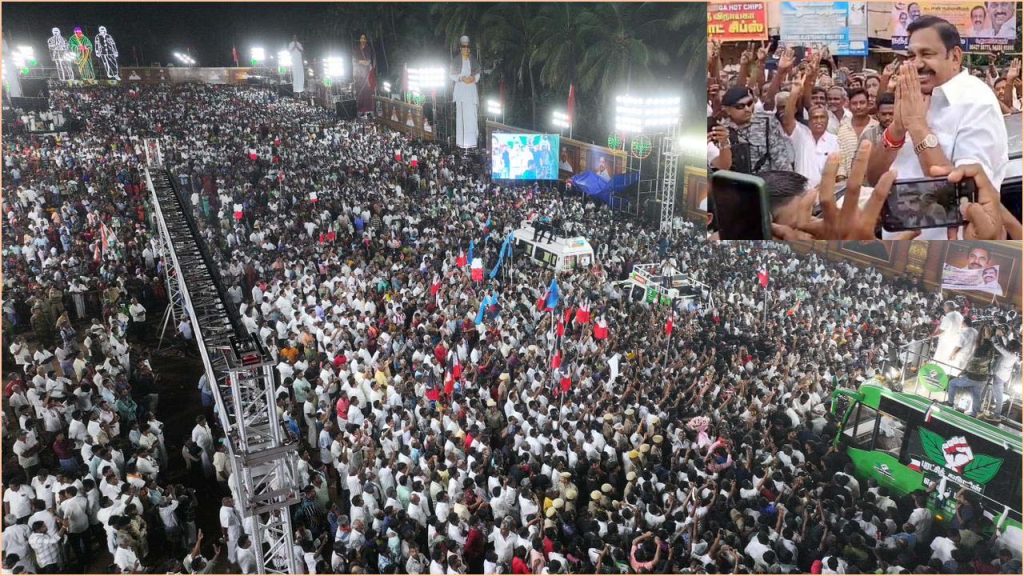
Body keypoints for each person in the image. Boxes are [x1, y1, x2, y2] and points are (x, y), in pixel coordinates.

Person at [864, 15, 1008, 240]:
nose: (917, 64)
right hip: (898, 249)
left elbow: (963, 197)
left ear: (955, 57)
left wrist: (917, 126)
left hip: (949, 253)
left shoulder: (976, 101)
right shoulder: (913, 96)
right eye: (911, 56)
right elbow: (874, 179)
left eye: (927, 54)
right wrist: (897, 129)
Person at [450, 36, 480, 150]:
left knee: (472, 117)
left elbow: (478, 74)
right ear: (460, 48)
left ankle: (472, 143)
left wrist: (473, 78)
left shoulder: (473, 60)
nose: (466, 49)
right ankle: (462, 144)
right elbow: (451, 74)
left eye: (467, 47)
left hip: (471, 90)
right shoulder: (456, 60)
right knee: (462, 118)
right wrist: (461, 78)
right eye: (464, 47)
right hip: (461, 91)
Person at [353, 34, 375, 115]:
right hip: (358, 73)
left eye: (364, 38)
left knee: (367, 89)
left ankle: (368, 109)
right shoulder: (356, 49)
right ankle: (359, 109)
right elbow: (355, 60)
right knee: (359, 90)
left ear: (366, 40)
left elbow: (368, 62)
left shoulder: (368, 48)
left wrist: (360, 61)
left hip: (366, 72)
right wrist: (361, 62)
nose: (363, 40)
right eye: (361, 38)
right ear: (359, 39)